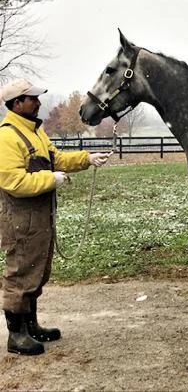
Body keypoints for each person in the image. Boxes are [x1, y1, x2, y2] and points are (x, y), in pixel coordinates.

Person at [0, 78, 111, 356]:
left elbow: (57, 158)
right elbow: (13, 181)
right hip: (20, 220)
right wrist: (51, 179)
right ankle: (16, 336)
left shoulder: (36, 132)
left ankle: (31, 325)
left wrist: (87, 158)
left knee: (37, 271)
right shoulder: (6, 137)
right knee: (20, 274)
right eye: (32, 98)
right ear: (17, 104)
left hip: (40, 217)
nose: (38, 102)